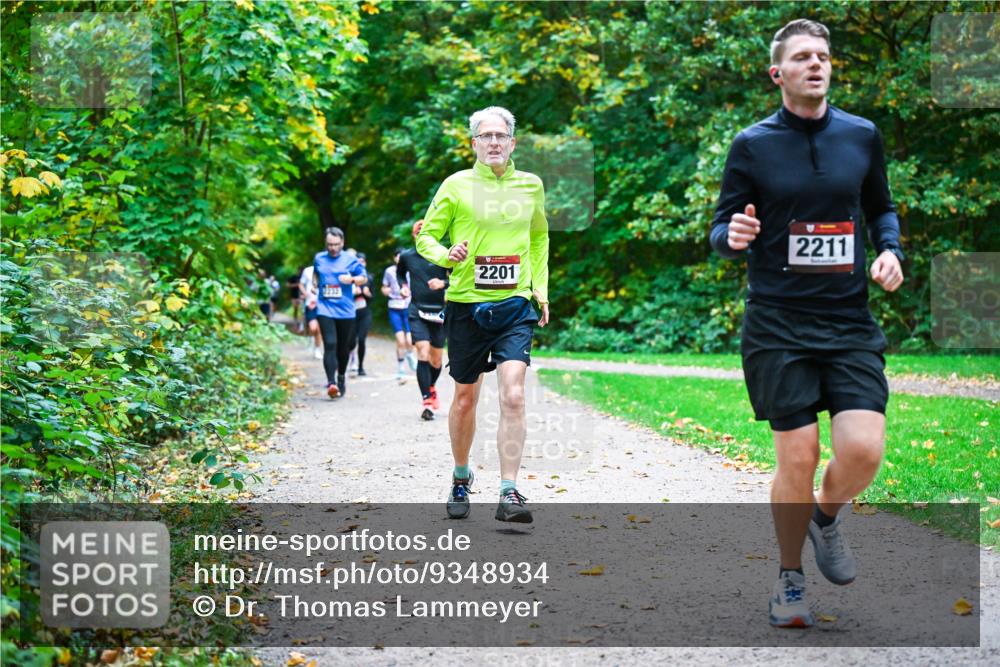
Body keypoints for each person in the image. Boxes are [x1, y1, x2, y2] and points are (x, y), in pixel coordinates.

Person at [710, 19, 905, 629]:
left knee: (864, 451)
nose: (816, 64)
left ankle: (825, 516)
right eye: (802, 57)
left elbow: (881, 208)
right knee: (797, 456)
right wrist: (732, 235)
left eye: (823, 56)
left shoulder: (862, 135)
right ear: (779, 73)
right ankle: (790, 577)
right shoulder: (752, 144)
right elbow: (721, 229)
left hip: (848, 321)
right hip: (778, 325)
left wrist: (891, 249)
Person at [416, 105, 549, 524]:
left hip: (516, 304)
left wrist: (540, 291)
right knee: (465, 398)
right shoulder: (455, 185)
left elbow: (539, 239)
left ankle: (509, 491)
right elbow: (427, 240)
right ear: (474, 143)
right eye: (485, 136)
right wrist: (447, 255)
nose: (494, 142)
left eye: (501, 136)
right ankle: (460, 475)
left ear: (513, 143)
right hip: (467, 304)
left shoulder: (531, 186)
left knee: (513, 394)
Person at [398, 220, 449, 420]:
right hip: (417, 310)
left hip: (438, 312)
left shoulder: (444, 255)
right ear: (413, 236)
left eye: (424, 230)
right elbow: (400, 274)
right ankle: (427, 399)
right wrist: (403, 286)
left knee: (436, 360)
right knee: (423, 352)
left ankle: (431, 387)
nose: (421, 233)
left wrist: (443, 283)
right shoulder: (407, 256)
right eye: (417, 231)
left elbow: (459, 278)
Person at [313, 227, 367, 399]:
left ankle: (341, 376)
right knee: (330, 344)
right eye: (329, 244)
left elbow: (363, 278)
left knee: (343, 348)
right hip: (325, 307)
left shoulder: (350, 259)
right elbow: (316, 274)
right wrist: (315, 285)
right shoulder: (319, 258)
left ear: (342, 243)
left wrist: (351, 280)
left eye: (336, 244)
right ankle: (331, 383)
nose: (333, 248)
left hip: (345, 310)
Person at [382, 250, 416, 380]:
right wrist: (386, 291)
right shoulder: (389, 271)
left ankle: (410, 355)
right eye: (398, 256)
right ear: (394, 257)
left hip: (408, 306)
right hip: (394, 307)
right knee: (400, 341)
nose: (400, 259)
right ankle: (401, 367)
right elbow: (384, 287)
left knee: (410, 340)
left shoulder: (411, 269)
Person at [350, 252, 375, 377]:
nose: (361, 264)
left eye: (362, 261)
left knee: (361, 340)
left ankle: (360, 366)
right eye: (358, 261)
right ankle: (351, 360)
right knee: (351, 341)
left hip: (365, 313)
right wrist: (353, 293)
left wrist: (366, 293)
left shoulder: (369, 278)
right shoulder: (349, 278)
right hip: (351, 314)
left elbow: (372, 297)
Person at [299, 264, 322, 359]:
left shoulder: (327, 269)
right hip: (310, 303)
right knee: (313, 327)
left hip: (323, 303)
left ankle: (317, 349)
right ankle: (311, 339)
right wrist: (305, 293)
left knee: (319, 329)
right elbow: (301, 284)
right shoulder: (307, 270)